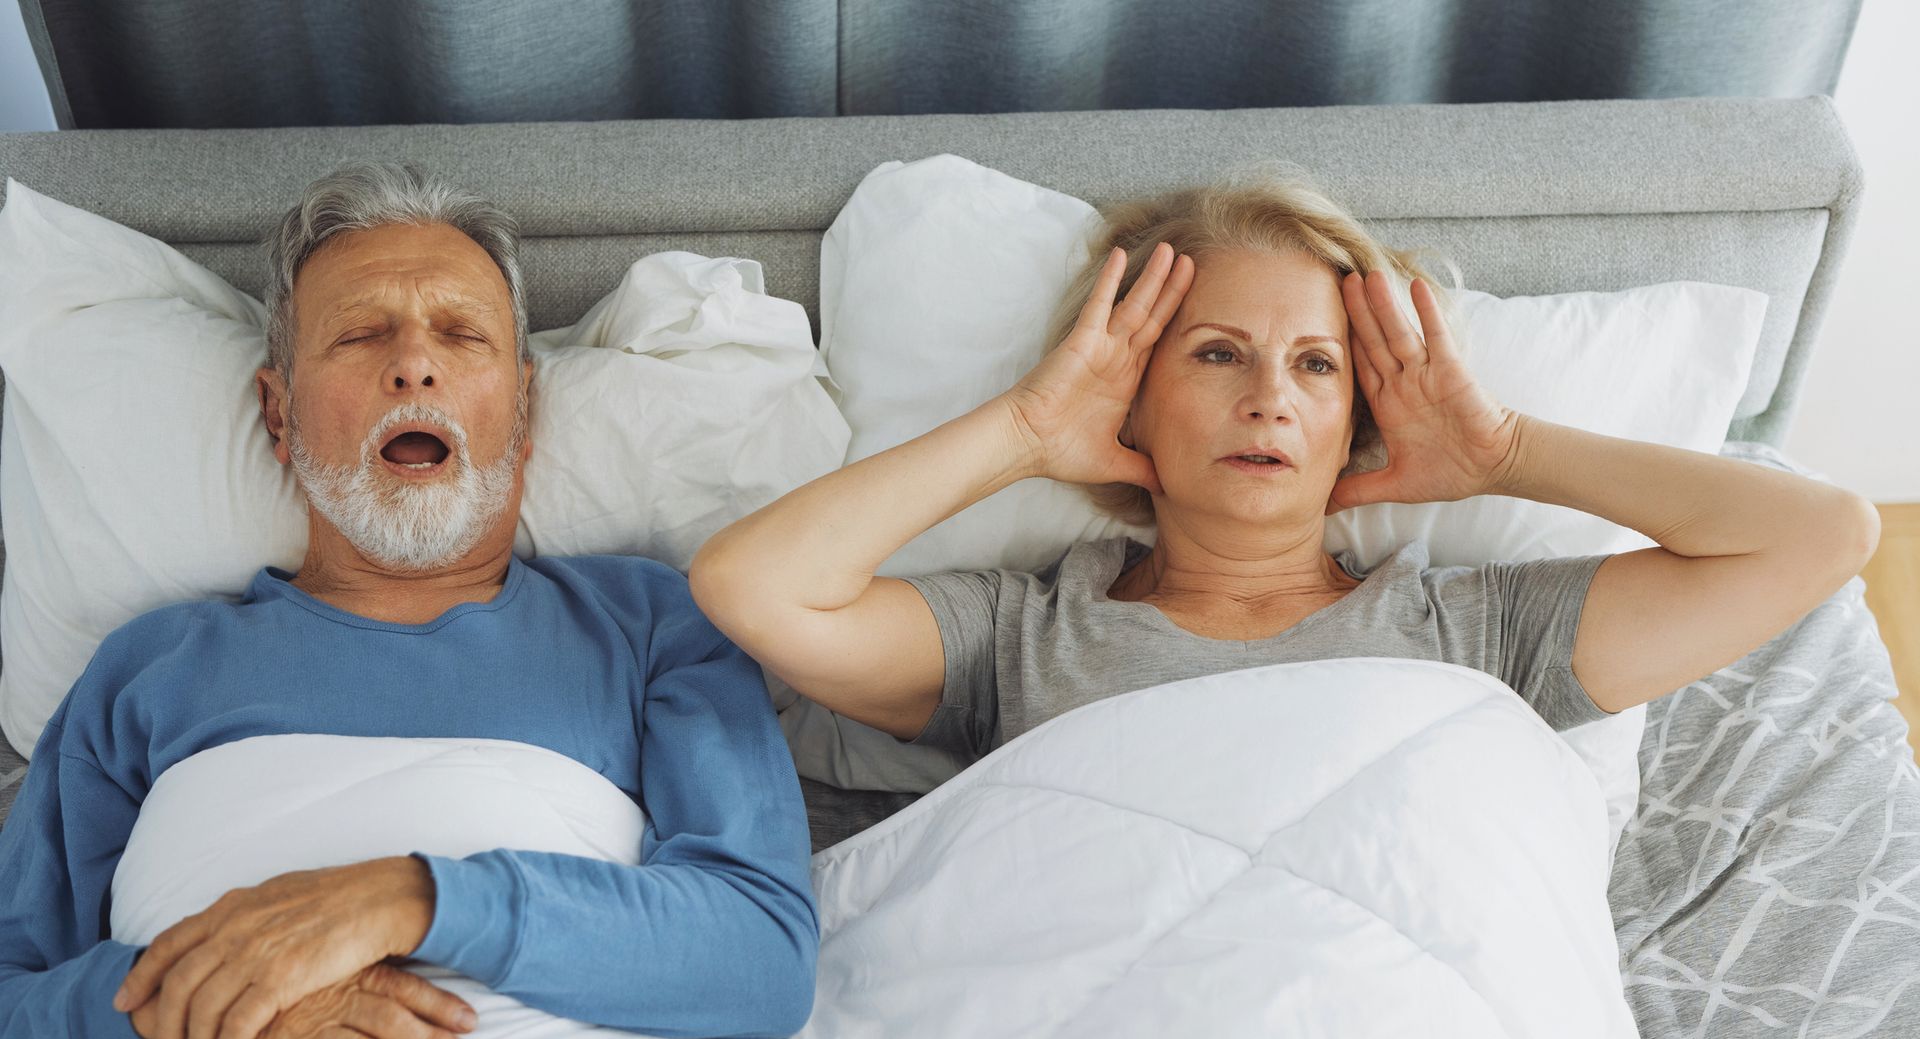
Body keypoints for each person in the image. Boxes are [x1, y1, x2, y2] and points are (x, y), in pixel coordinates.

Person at [0, 162, 817, 1039]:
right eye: (360, 334)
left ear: (524, 412)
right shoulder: (146, 668)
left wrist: (409, 898)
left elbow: (761, 949)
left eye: (460, 334)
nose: (414, 365)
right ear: (278, 414)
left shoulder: (652, 624)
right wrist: (210, 994)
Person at [690, 176, 1879, 766]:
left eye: (1316, 364)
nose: (1270, 396)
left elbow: (1824, 533)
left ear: (1355, 417)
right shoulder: (1025, 634)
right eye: (1218, 353)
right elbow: (753, 584)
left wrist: (1505, 453)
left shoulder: (1476, 632)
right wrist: (1028, 426)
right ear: (1134, 398)